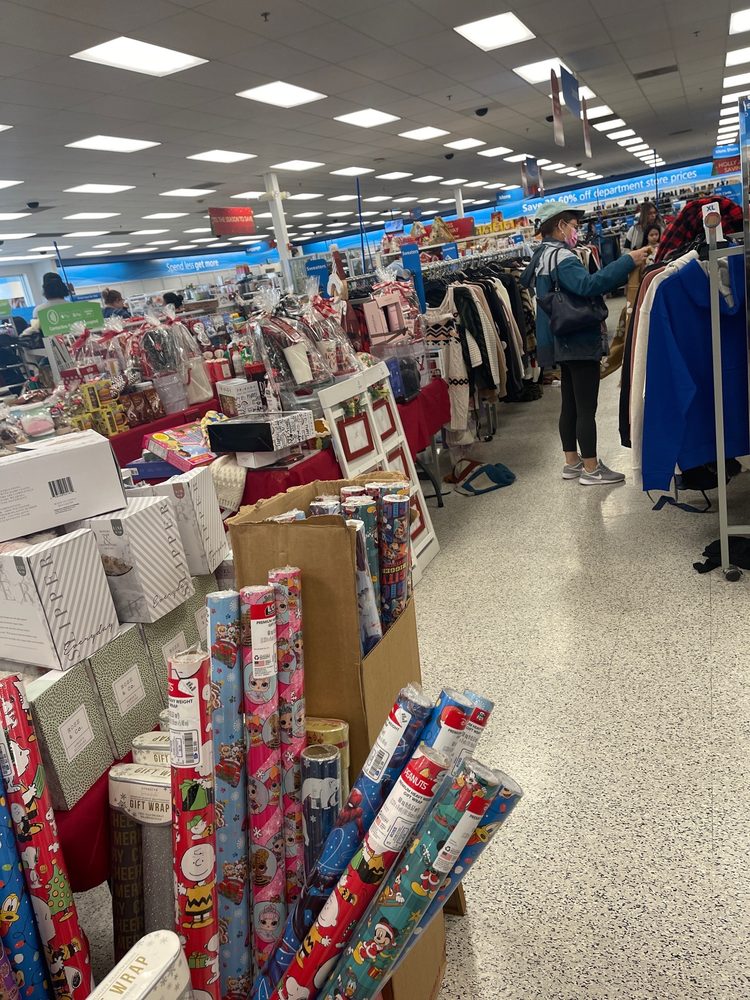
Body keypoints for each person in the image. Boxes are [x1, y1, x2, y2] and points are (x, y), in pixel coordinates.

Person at [522, 203, 650, 485]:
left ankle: (572, 462)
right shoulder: (562, 257)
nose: (576, 231)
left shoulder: (542, 255)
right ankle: (592, 468)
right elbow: (588, 285)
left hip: (560, 339)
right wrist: (628, 261)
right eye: (573, 226)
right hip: (577, 337)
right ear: (560, 225)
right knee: (586, 407)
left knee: (569, 403)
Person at [604, 223, 663, 380]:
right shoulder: (641, 255)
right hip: (642, 298)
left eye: (656, 234)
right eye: (651, 234)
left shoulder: (663, 251)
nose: (654, 237)